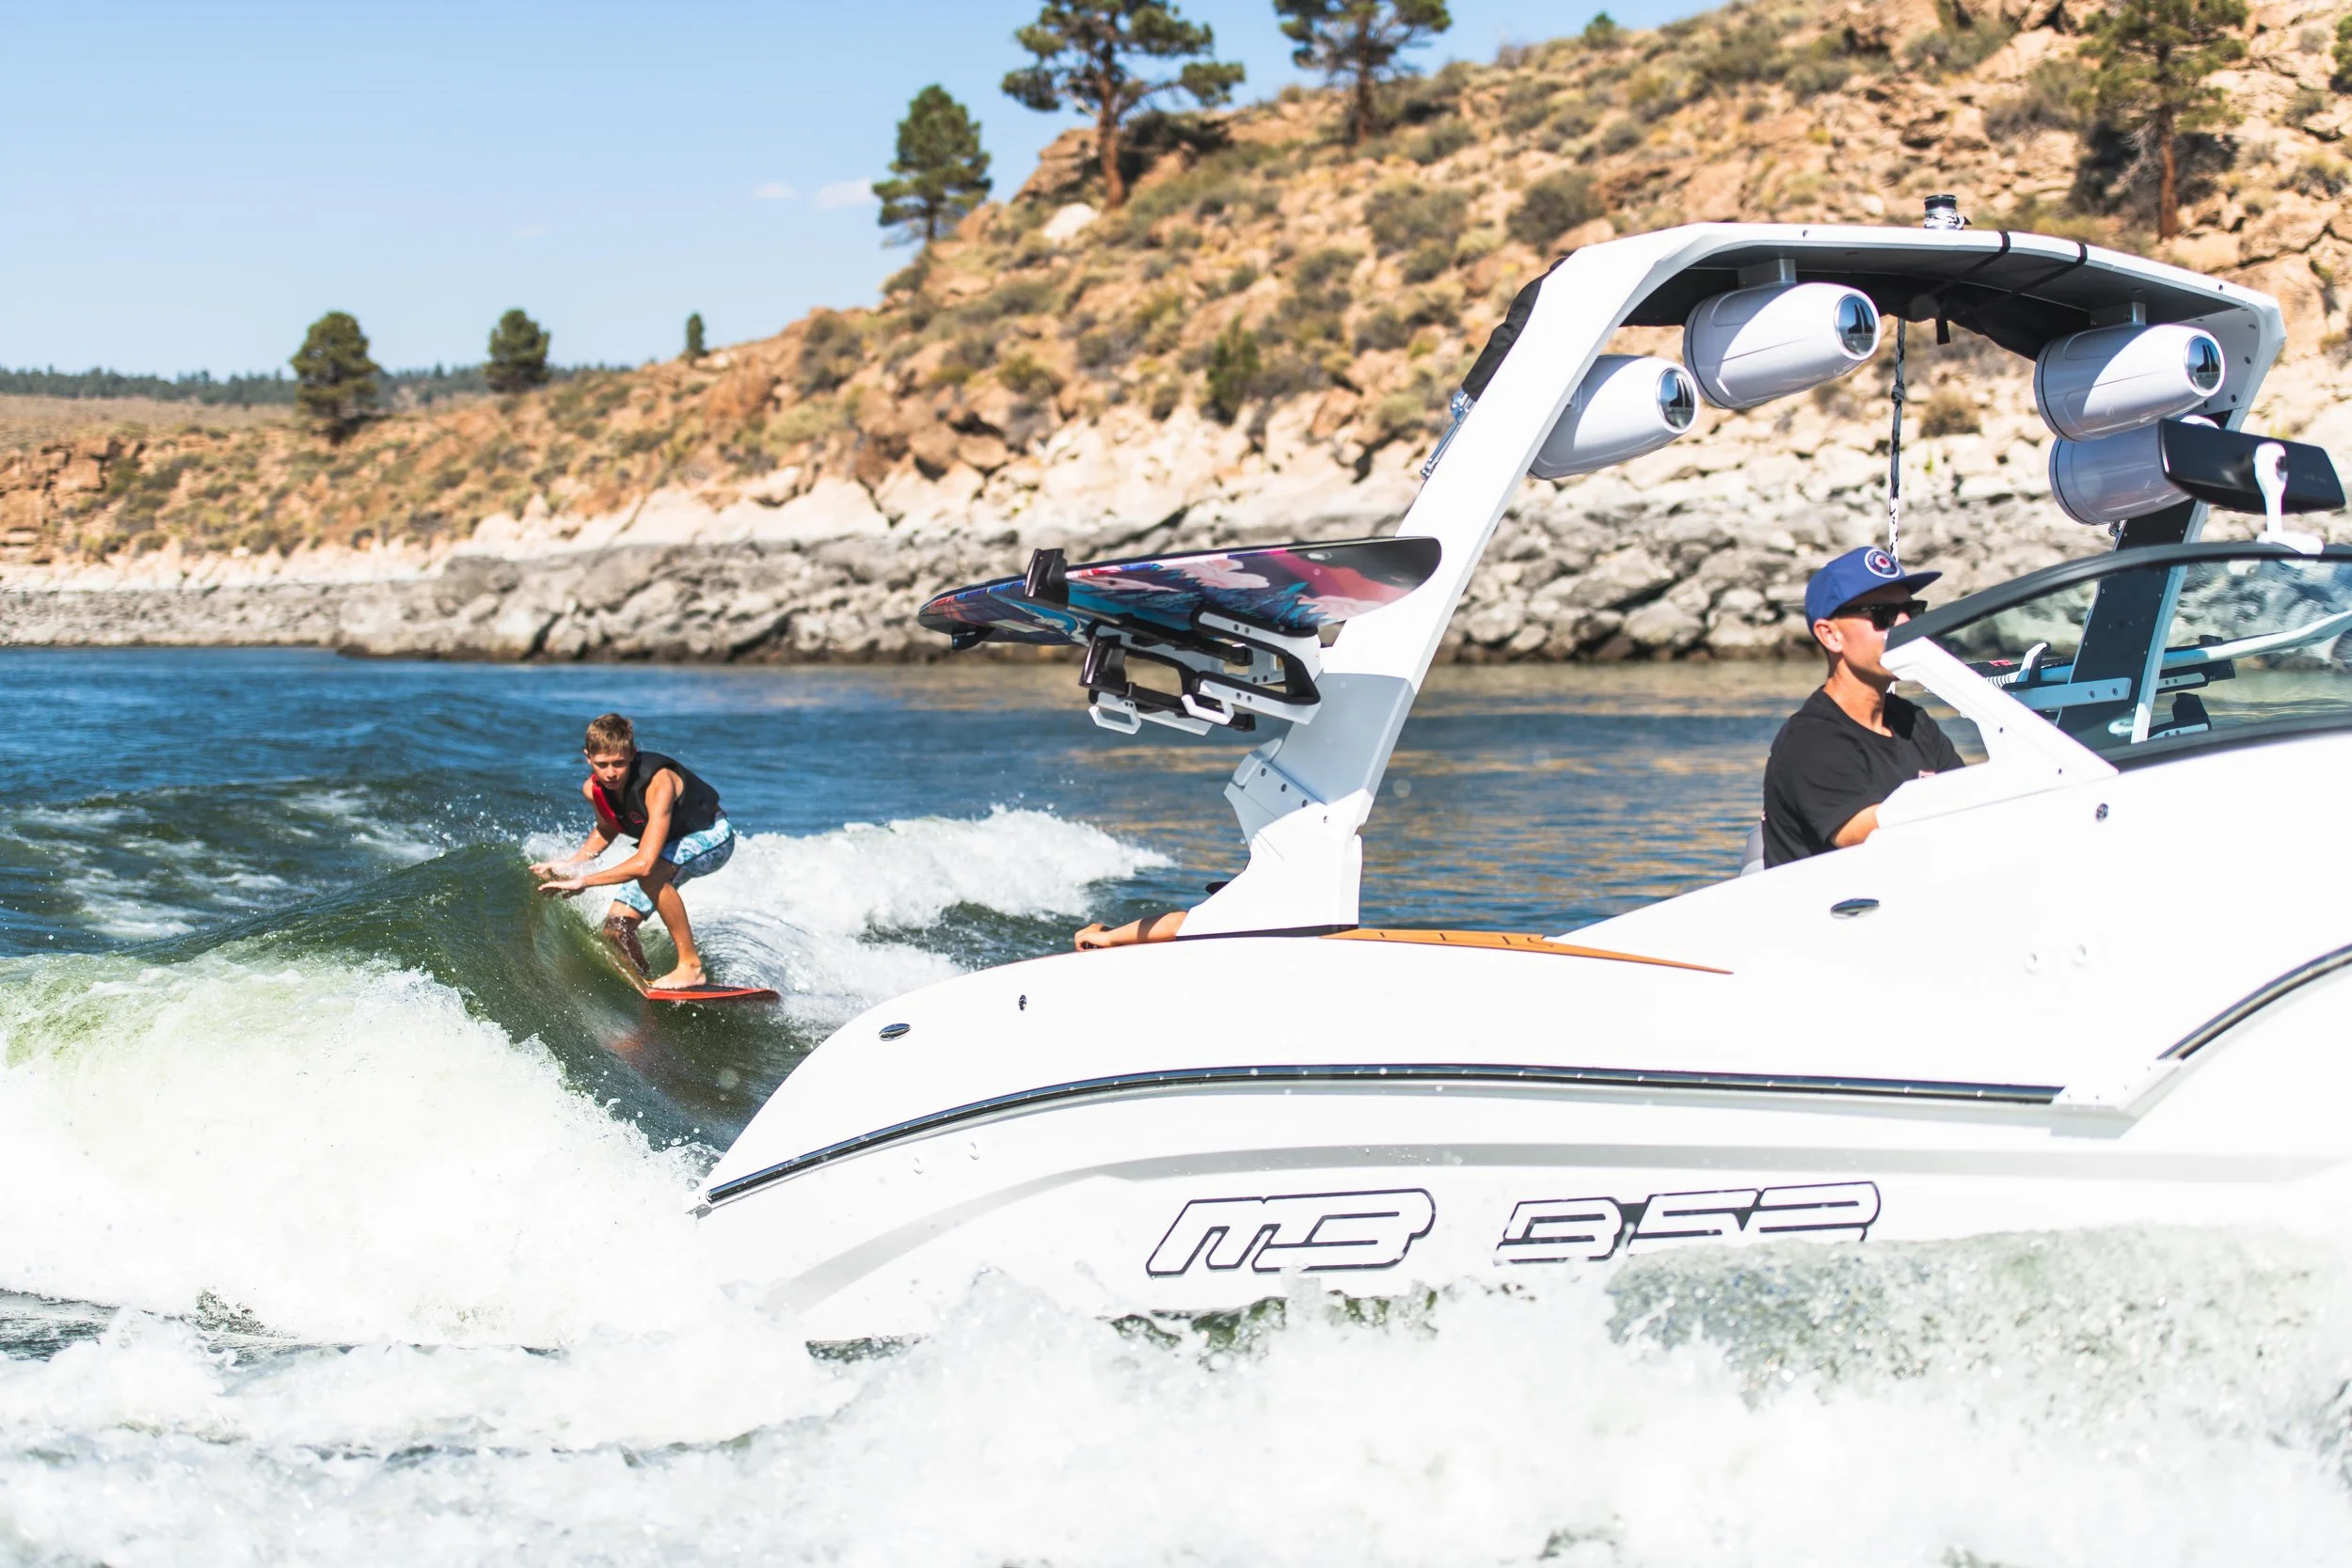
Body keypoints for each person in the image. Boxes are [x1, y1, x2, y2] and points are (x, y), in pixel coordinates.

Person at [1760, 546, 1965, 867]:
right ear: (1830, 636)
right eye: (1884, 615)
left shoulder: (1915, 722)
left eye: (1913, 610)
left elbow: (1970, 804)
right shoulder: (1811, 742)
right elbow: (1868, 837)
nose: (1906, 624)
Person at [531, 713, 737, 990]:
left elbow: (644, 865)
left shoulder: (657, 782)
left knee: (650, 876)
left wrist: (584, 881)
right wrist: (573, 864)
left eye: (619, 763)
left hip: (712, 837)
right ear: (588, 758)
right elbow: (607, 828)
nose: (611, 772)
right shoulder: (594, 790)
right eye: (602, 765)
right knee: (616, 929)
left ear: (632, 754)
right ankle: (646, 984)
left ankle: (691, 967)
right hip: (668, 846)